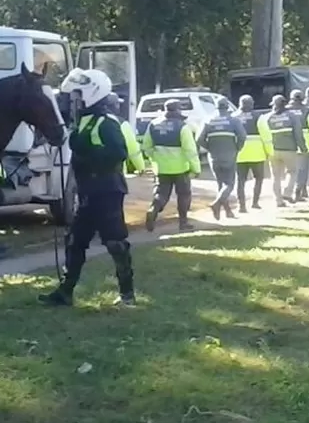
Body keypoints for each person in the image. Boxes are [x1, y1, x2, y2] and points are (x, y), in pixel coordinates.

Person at [40, 68, 144, 306]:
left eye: (77, 95)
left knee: (115, 243)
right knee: (75, 241)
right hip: (88, 191)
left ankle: (127, 295)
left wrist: (86, 154)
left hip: (107, 190)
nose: (73, 100)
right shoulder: (85, 122)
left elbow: (118, 153)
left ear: (92, 94)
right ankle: (65, 292)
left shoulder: (106, 123)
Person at [141, 98, 200, 231]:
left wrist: (156, 158)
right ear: (178, 110)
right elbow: (190, 150)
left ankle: (153, 210)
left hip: (161, 168)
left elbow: (146, 146)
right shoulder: (182, 127)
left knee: (161, 194)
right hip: (181, 168)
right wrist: (196, 168)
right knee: (184, 195)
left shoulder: (153, 124)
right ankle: (183, 223)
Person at [198, 98, 246, 219]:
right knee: (229, 184)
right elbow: (242, 136)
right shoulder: (234, 120)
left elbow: (199, 139)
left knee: (221, 184)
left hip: (214, 156)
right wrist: (237, 148)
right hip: (229, 155)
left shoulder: (208, 120)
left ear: (216, 107)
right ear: (227, 107)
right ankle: (216, 204)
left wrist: (209, 147)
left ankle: (227, 211)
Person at [258, 93, 304, 206]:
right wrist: (302, 147)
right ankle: (287, 193)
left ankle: (278, 201)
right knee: (292, 172)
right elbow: (298, 133)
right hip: (289, 149)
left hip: (273, 151)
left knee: (276, 176)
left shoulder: (266, 118)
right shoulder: (292, 116)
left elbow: (262, 135)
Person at [234, 94, 268, 212]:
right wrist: (269, 152)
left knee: (240, 180)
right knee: (258, 178)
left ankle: (241, 206)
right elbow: (266, 136)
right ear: (252, 104)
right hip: (257, 154)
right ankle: (255, 202)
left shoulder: (234, 117)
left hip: (239, 154)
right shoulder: (259, 117)